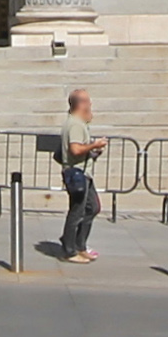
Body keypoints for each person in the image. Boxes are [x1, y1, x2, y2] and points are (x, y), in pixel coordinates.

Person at [54, 88, 106, 264]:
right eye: (87, 101)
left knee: (93, 207)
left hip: (84, 173)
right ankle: (69, 250)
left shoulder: (79, 123)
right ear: (79, 104)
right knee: (77, 211)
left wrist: (92, 151)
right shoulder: (75, 124)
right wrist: (94, 145)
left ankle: (79, 244)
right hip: (77, 174)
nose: (90, 104)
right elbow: (75, 149)